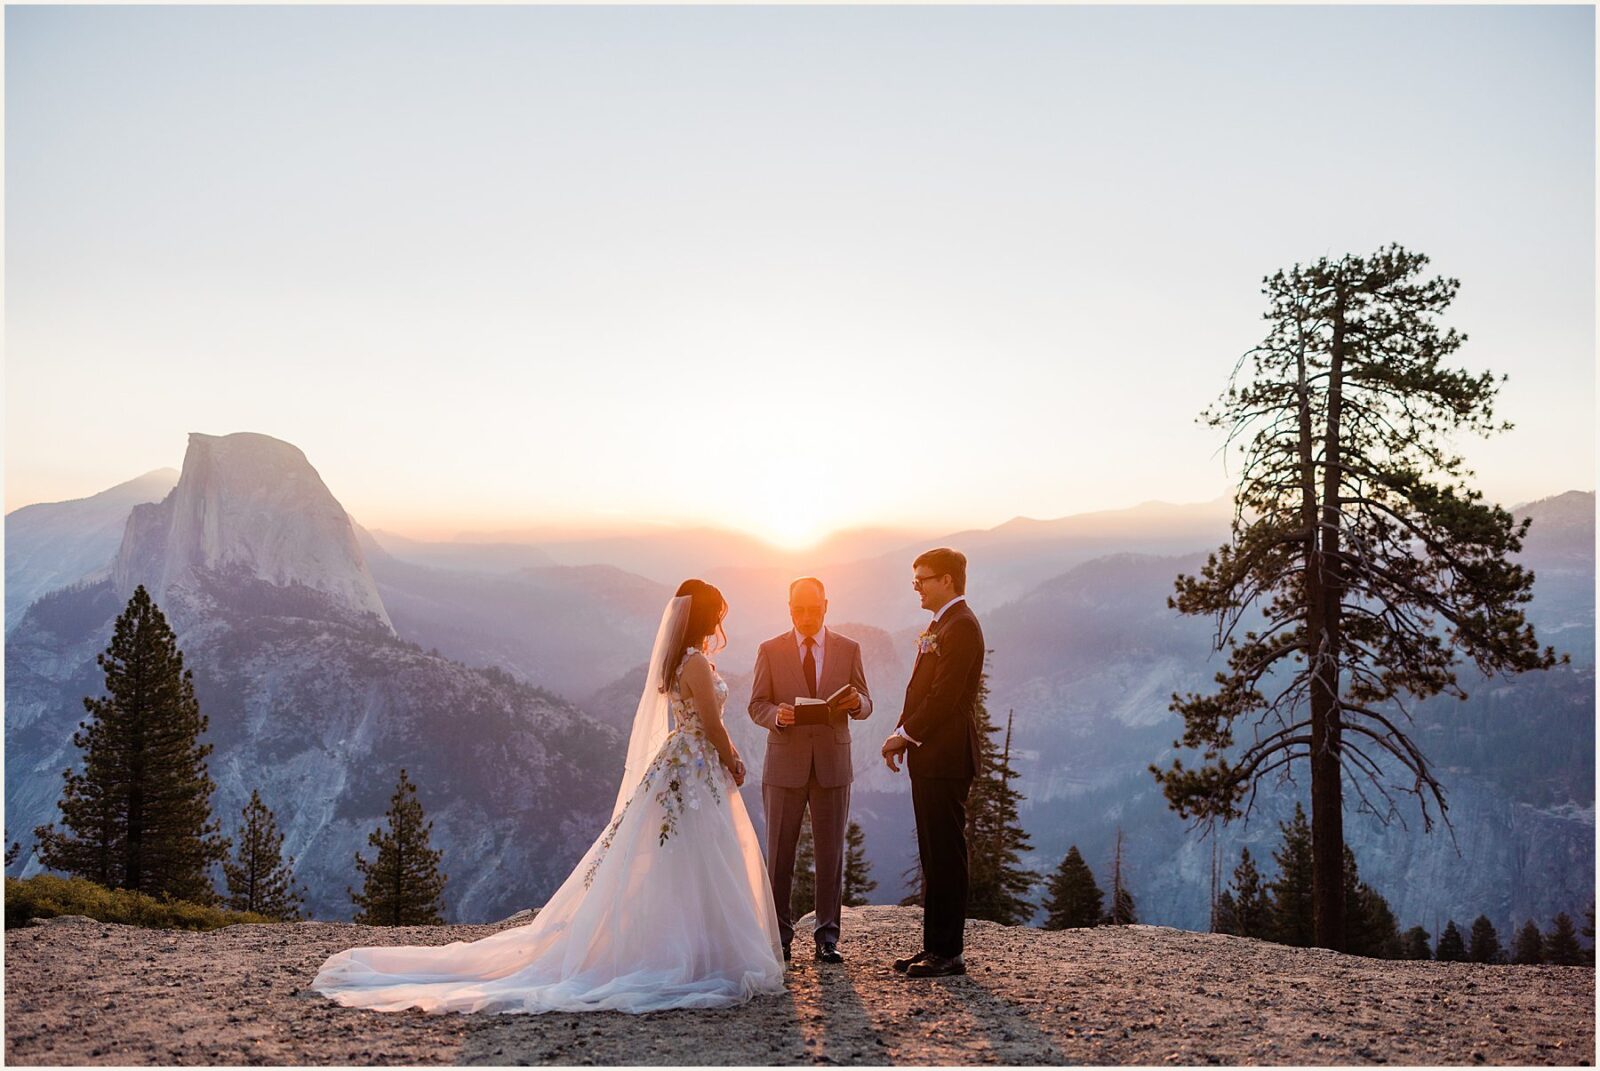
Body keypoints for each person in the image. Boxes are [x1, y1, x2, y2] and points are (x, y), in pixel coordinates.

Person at [313, 580, 785, 1014]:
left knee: (683, 857)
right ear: (704, 617)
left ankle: (689, 946)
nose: (721, 622)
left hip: (682, 764)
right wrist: (734, 759)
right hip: (696, 764)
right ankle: (697, 952)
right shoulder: (697, 663)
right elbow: (712, 722)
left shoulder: (677, 660)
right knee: (700, 856)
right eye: (718, 614)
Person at [748, 576, 873, 964]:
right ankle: (780, 936)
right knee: (779, 856)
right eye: (798, 609)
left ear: (826, 606)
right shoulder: (769, 650)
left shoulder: (849, 649)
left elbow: (867, 702)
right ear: (789, 608)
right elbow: (756, 705)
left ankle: (827, 938)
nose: (805, 616)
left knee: (830, 855)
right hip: (784, 765)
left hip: (833, 766)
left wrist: (856, 704)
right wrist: (777, 715)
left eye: (812, 609)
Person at [881, 548, 984, 978]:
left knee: (945, 853)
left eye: (922, 580)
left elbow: (944, 696)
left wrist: (904, 734)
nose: (917, 588)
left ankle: (949, 952)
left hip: (945, 756)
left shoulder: (961, 626)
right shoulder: (942, 623)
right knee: (932, 853)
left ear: (947, 580)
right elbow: (923, 689)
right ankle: (935, 946)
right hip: (930, 754)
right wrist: (908, 735)